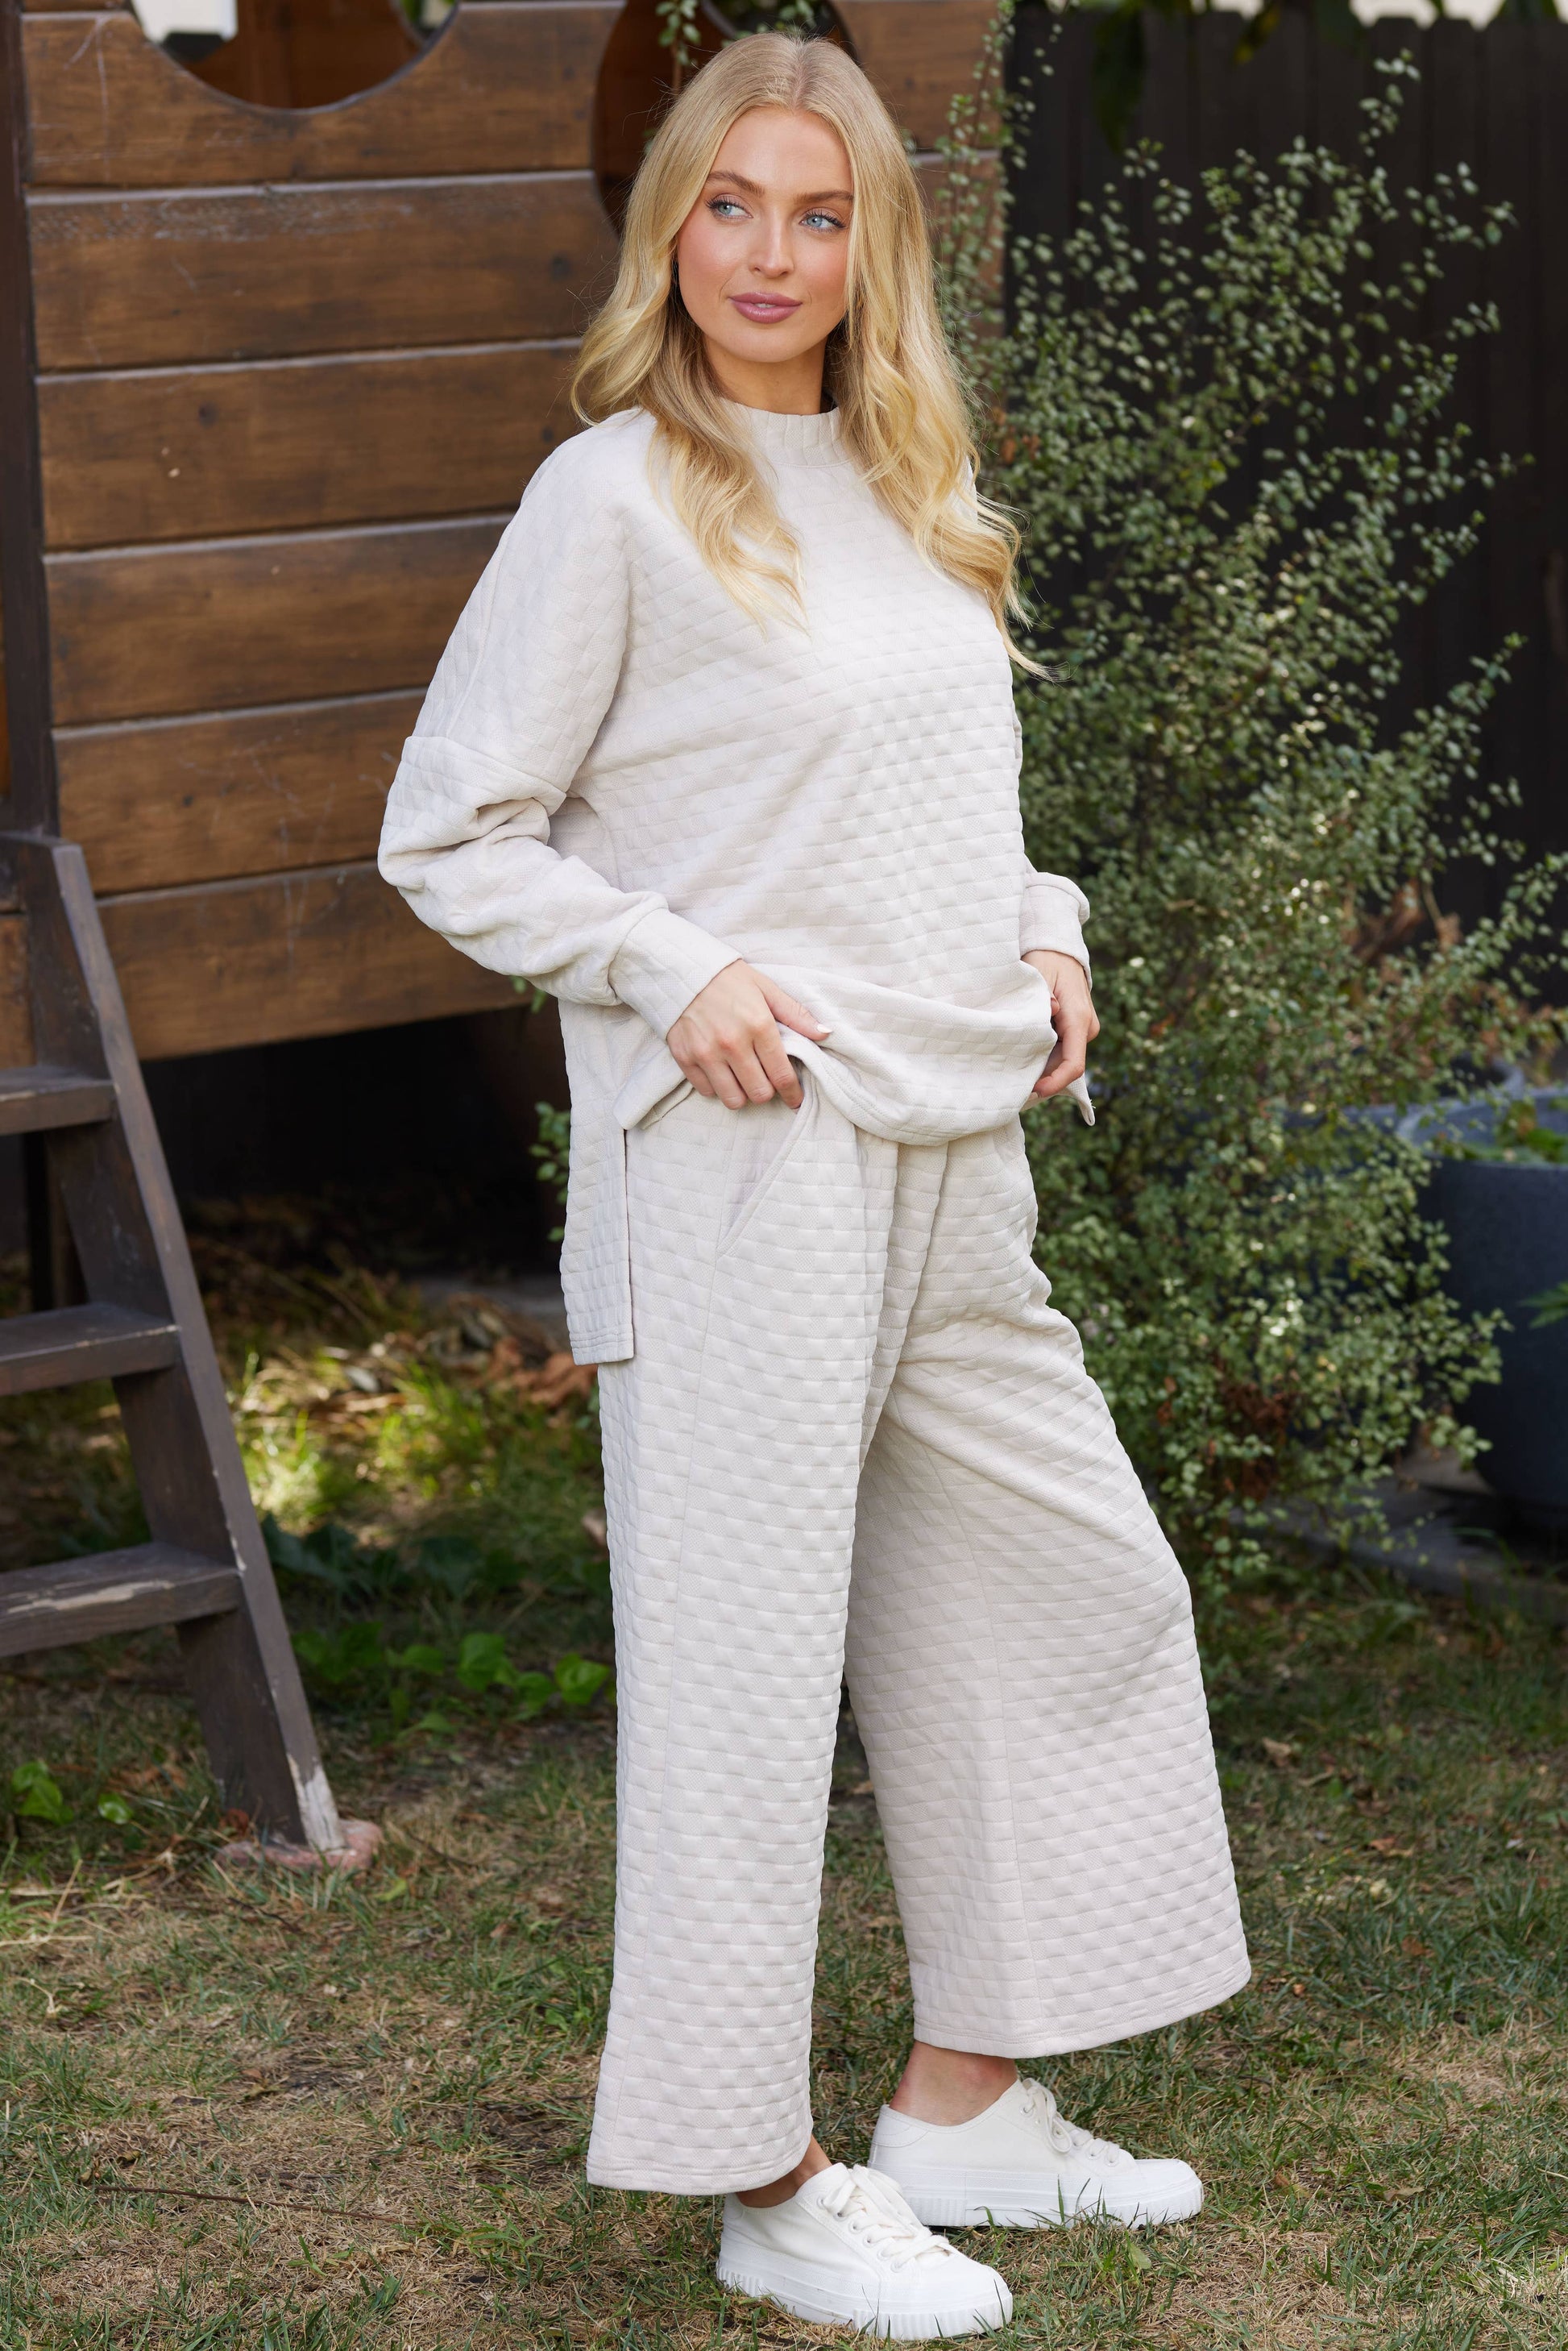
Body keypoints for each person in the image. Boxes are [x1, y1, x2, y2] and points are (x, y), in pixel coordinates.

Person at [380, 29, 1247, 2337]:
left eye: (818, 211)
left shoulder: (906, 476)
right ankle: (762, 2182)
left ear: (877, 244)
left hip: (960, 1150)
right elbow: (449, 830)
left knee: (1071, 1592)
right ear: (671, 223)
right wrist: (674, 971)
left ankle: (967, 2107)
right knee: (743, 1687)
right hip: (750, 1166)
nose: (769, 254)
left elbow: (933, 791)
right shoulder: (610, 500)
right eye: (730, 205)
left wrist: (1048, 926)